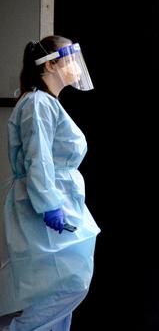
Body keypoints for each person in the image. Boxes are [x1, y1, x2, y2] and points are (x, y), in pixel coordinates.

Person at [0, 36, 100, 331]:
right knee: (67, 283)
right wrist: (49, 204)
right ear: (51, 65)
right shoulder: (37, 103)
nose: (75, 67)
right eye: (68, 60)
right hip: (45, 204)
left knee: (56, 285)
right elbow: (38, 158)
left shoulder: (46, 103)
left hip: (59, 200)